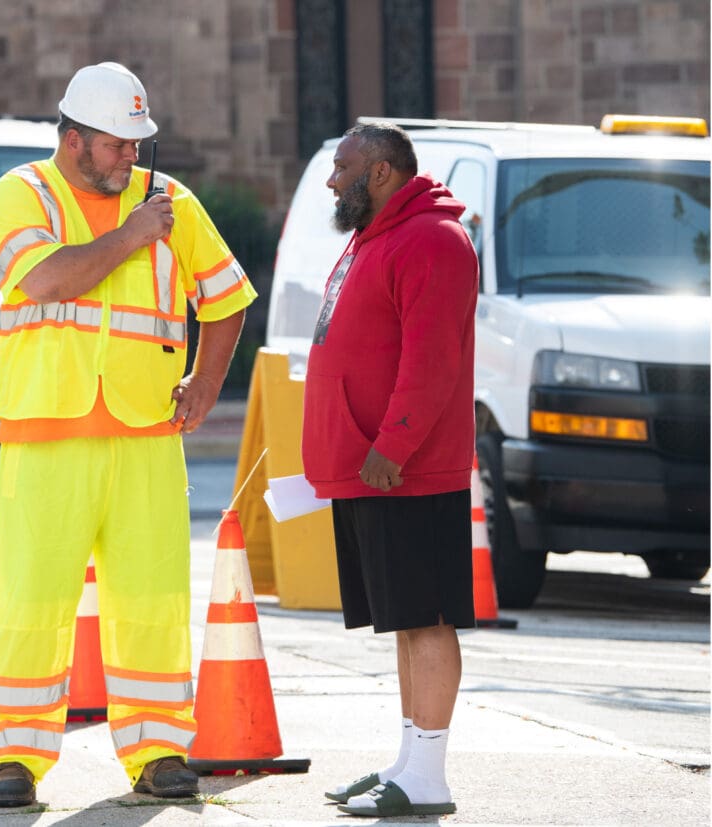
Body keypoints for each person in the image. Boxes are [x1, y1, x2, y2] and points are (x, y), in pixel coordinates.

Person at [0, 61, 257, 806]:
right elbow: (46, 281)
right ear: (74, 140)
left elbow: (228, 297)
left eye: (138, 144)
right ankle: (14, 756)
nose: (133, 157)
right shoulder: (22, 193)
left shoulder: (172, 204)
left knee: (152, 598)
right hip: (45, 430)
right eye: (118, 144)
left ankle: (160, 749)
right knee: (31, 601)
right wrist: (134, 236)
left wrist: (204, 381)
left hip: (145, 434)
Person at [301, 122, 479, 818]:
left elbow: (432, 359)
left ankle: (428, 776)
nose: (331, 179)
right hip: (374, 468)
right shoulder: (376, 235)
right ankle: (409, 761)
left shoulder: (432, 239)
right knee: (404, 620)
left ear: (380, 171)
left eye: (342, 167)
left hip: (410, 470)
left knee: (427, 619)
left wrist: (394, 444)